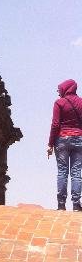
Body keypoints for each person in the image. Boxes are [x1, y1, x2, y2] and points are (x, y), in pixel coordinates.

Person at [47, 79, 82, 211]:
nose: (58, 91)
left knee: (62, 171)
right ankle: (76, 205)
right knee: (76, 172)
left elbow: (55, 124)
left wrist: (50, 144)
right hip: (79, 139)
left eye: (59, 88)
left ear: (66, 88)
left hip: (62, 139)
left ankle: (61, 204)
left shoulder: (59, 103)